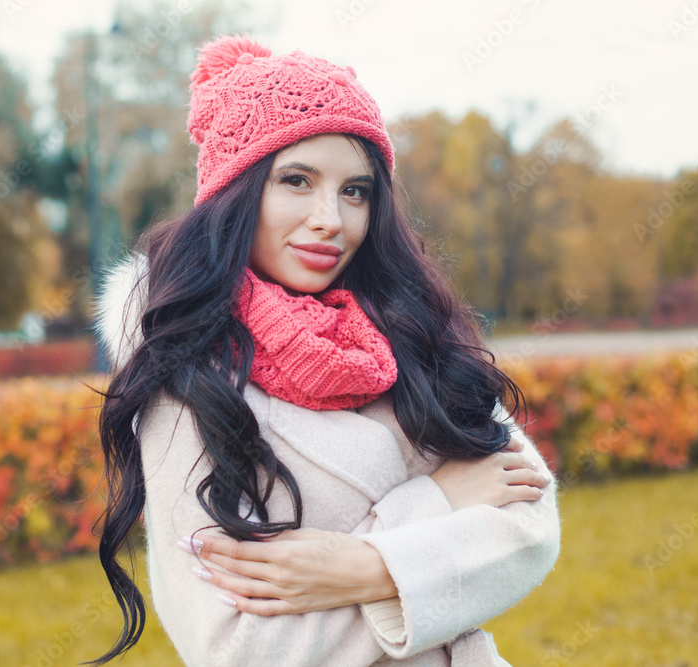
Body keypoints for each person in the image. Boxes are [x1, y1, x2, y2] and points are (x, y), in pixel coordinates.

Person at [88, 35, 561, 667]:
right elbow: (241, 649)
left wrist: (358, 567)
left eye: (355, 191)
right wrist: (434, 511)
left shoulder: (410, 335)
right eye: (296, 180)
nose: (330, 219)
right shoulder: (188, 380)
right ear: (233, 193)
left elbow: (529, 522)